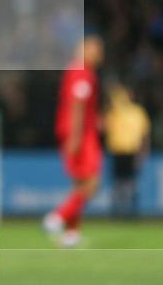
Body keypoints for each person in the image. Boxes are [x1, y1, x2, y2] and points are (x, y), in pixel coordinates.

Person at [44, 35, 104, 247]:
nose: (99, 55)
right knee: (92, 183)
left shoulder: (76, 71)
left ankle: (71, 234)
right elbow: (77, 106)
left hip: (78, 131)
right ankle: (57, 217)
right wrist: (76, 137)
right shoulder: (82, 74)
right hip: (81, 135)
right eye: (96, 50)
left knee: (79, 184)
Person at [104, 82, 150, 217]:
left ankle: (131, 211)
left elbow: (144, 134)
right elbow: (104, 127)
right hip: (117, 151)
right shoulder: (114, 111)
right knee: (117, 182)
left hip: (132, 152)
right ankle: (117, 211)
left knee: (131, 182)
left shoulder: (138, 112)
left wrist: (143, 153)